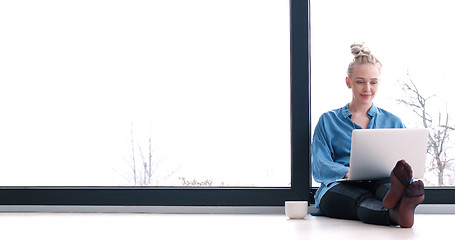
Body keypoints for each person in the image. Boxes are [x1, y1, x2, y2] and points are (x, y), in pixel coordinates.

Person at [311, 43, 425, 228]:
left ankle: (396, 203)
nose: (367, 88)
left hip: (380, 182)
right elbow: (319, 165)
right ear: (348, 82)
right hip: (339, 186)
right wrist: (347, 172)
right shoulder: (328, 120)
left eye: (373, 82)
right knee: (360, 200)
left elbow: (406, 161)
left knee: (387, 187)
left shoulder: (394, 122)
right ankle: (397, 214)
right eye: (360, 81)